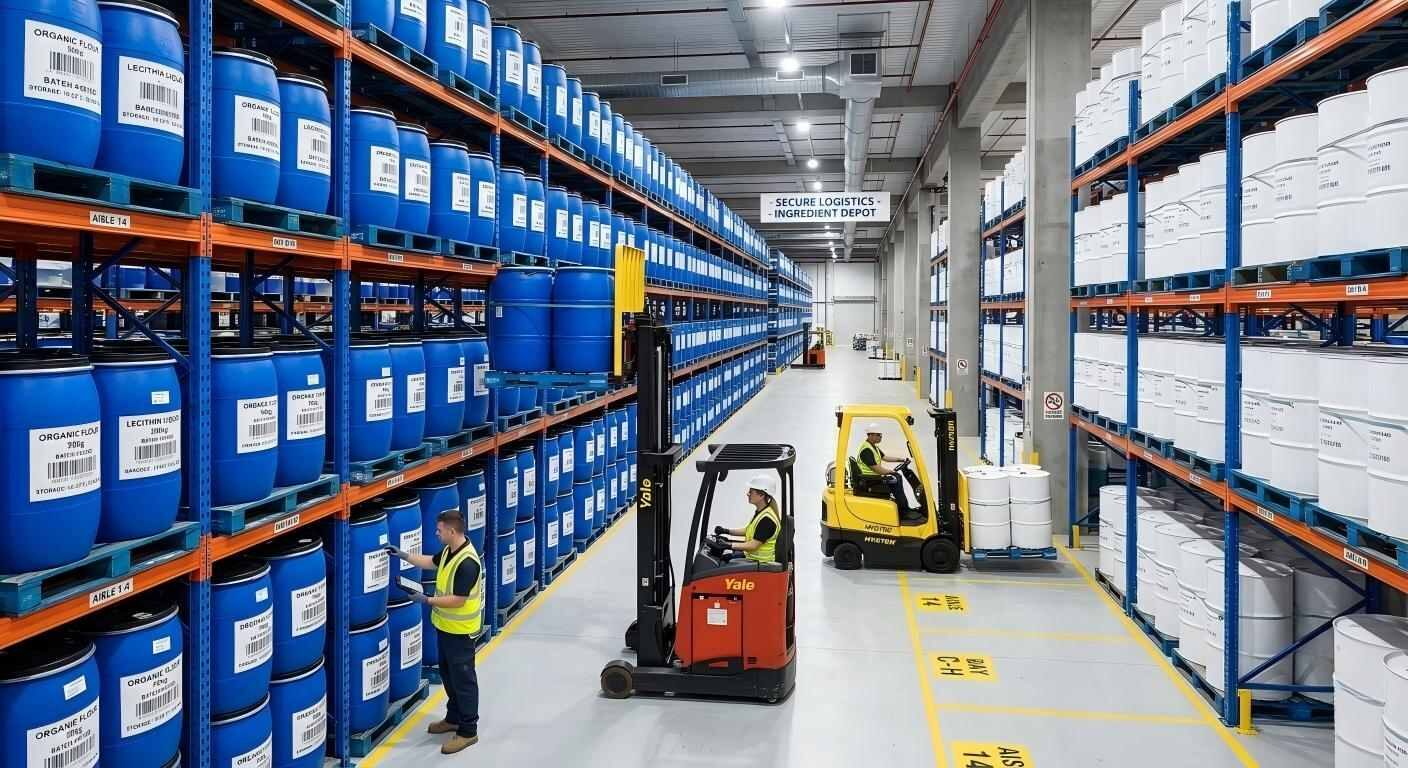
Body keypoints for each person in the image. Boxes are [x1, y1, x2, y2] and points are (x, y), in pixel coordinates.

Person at [386, 509, 482, 755]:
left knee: (464, 681)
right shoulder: (451, 551)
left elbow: (458, 600)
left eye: (439, 530)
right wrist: (403, 555)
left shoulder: (468, 562)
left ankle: (468, 731)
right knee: (448, 676)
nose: (436, 533)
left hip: (460, 632)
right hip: (445, 628)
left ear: (452, 531)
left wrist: (426, 600)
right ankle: (453, 717)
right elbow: (430, 561)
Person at [713, 474, 782, 564]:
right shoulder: (762, 512)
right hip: (753, 557)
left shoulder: (767, 520)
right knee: (724, 557)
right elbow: (748, 530)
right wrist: (726, 531)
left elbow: (753, 545)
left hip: (761, 563)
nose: (747, 494)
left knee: (722, 562)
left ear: (761, 495)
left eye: (751, 492)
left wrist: (729, 545)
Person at [853, 422, 913, 517]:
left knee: (896, 478)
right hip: (870, 481)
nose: (880, 437)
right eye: (878, 435)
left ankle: (904, 508)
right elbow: (878, 470)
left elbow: (885, 457)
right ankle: (904, 511)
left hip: (873, 478)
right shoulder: (866, 450)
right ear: (871, 435)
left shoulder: (873, 447)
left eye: (880, 435)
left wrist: (901, 459)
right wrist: (890, 471)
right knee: (896, 478)